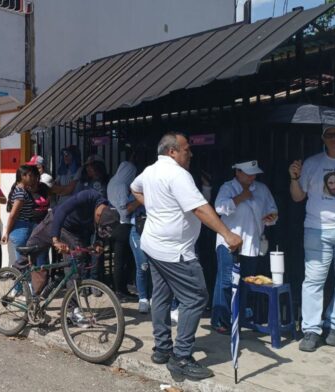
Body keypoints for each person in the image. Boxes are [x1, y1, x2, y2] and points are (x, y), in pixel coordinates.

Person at [131, 132, 242, 381]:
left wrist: (156, 208)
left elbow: (134, 188)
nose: (190, 154)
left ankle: (162, 349)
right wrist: (227, 234)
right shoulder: (178, 174)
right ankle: (181, 357)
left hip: (153, 244)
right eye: (186, 149)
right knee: (195, 297)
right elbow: (200, 208)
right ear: (172, 151)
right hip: (174, 250)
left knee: (160, 295)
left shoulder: (150, 170)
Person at [290, 125, 335, 351]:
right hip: (316, 228)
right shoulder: (312, 163)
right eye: (330, 135)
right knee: (313, 280)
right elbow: (298, 196)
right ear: (323, 138)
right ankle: (311, 329)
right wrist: (294, 178)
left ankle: (334, 324)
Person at [211, 160, 278, 334]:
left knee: (246, 281)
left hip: (252, 243)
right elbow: (219, 208)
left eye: (254, 174)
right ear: (238, 173)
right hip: (228, 241)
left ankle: (238, 318)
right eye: (248, 173)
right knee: (226, 281)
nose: (252, 177)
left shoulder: (262, 189)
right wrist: (240, 198)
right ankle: (221, 320)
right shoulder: (228, 188)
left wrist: (271, 217)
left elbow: (272, 209)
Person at [14, 189, 119, 296]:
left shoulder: (110, 210)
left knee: (74, 268)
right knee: (31, 249)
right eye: (99, 225)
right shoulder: (88, 196)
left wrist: (98, 243)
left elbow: (100, 231)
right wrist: (55, 239)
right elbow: (62, 210)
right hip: (55, 221)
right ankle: (13, 272)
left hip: (73, 233)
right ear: (98, 214)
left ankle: (72, 308)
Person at [1, 165, 50, 264]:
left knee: (25, 261)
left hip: (23, 228)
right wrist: (6, 232)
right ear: (23, 176)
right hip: (21, 228)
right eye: (30, 176)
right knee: (23, 263)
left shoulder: (20, 189)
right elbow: (13, 214)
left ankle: (27, 279)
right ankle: (24, 279)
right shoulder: (21, 193)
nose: (32, 178)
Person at [107, 161, 141, 300]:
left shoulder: (112, 182)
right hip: (122, 225)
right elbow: (125, 209)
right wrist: (139, 200)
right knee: (121, 261)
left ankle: (121, 289)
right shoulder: (121, 185)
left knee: (119, 259)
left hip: (114, 225)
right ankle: (120, 290)